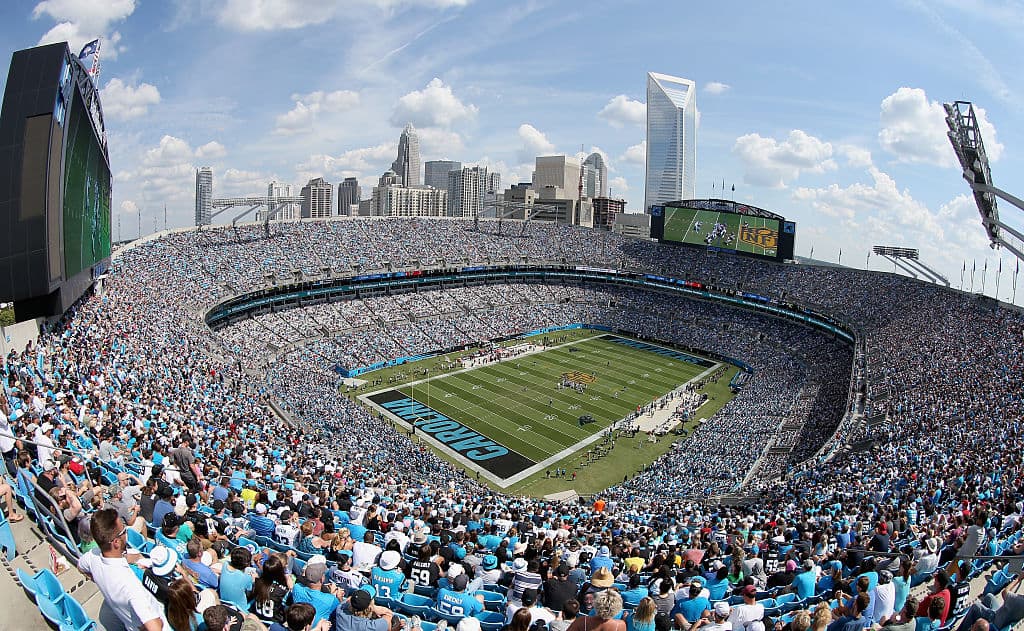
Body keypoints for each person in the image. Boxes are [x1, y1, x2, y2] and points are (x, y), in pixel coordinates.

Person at [77, 508, 168, 631]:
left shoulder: (92, 556)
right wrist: (159, 623)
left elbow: (80, 567)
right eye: (124, 531)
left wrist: (98, 579)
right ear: (116, 542)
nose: (126, 533)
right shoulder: (130, 586)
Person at [251, 553, 292, 625]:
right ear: (280, 572)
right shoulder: (284, 590)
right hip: (275, 622)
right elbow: (289, 604)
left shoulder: (257, 582)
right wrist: (291, 588)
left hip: (257, 616)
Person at [220, 545, 255, 611]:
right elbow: (249, 593)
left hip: (223, 602)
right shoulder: (247, 578)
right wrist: (253, 579)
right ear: (246, 564)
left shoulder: (225, 564)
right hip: (240, 608)